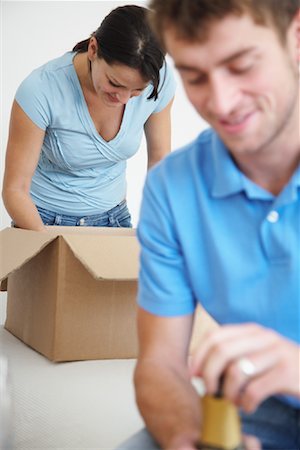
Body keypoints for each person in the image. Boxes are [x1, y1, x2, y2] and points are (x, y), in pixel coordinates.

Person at [118, 1, 300, 449]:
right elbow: (161, 365)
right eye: (195, 76)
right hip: (262, 407)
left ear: (296, 38)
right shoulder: (172, 188)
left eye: (241, 66)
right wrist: (188, 437)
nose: (221, 103)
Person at [2, 5, 175, 231]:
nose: (123, 99)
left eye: (136, 91)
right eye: (115, 83)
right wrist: (49, 243)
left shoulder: (156, 79)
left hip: (114, 218)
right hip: (41, 221)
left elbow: (159, 160)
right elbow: (14, 190)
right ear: (93, 49)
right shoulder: (40, 89)